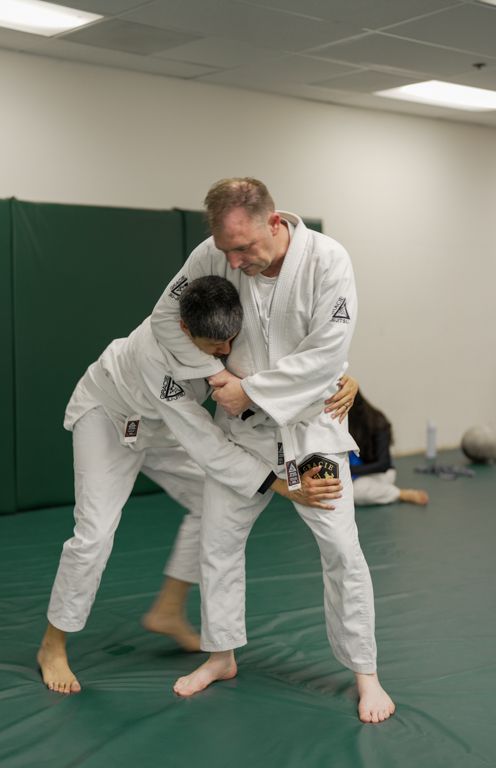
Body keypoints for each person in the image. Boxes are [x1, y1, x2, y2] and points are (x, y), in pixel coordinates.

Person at [150, 178, 395, 723]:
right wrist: (214, 374)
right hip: (244, 432)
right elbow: (166, 316)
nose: (234, 262)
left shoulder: (327, 261)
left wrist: (252, 390)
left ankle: (366, 674)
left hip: (311, 430)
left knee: (341, 550)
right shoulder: (212, 254)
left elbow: (329, 352)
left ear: (275, 221)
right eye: (226, 249)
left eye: (245, 248)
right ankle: (221, 656)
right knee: (217, 542)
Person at [37, 276, 347, 694]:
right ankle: (52, 646)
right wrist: (280, 485)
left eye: (229, 342)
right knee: (93, 534)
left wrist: (347, 379)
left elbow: (288, 362)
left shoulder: (225, 329)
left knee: (212, 503)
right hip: (109, 416)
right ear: (184, 330)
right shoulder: (155, 355)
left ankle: (168, 608)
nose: (224, 352)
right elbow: (206, 443)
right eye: (212, 346)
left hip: (162, 428)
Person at [349, 391, 429, 506]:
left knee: (355, 492)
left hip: (381, 473)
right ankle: (381, 489)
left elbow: (384, 464)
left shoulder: (377, 421)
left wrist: (350, 470)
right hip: (356, 473)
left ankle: (400, 494)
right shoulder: (344, 424)